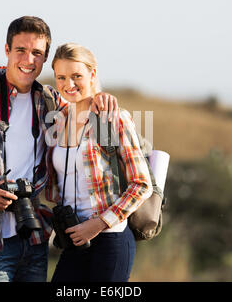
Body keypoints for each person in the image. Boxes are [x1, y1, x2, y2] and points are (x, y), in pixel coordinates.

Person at [0, 16, 118, 282]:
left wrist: (99, 96)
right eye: (21, 50)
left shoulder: (49, 100)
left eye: (37, 53)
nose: (29, 60)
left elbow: (79, 96)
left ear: (45, 57)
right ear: (7, 50)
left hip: (35, 236)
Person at [46, 43, 153, 282]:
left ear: (92, 74)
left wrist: (97, 224)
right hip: (72, 238)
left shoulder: (112, 118)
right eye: (61, 77)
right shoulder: (57, 122)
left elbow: (141, 184)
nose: (68, 84)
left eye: (77, 76)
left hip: (110, 239)